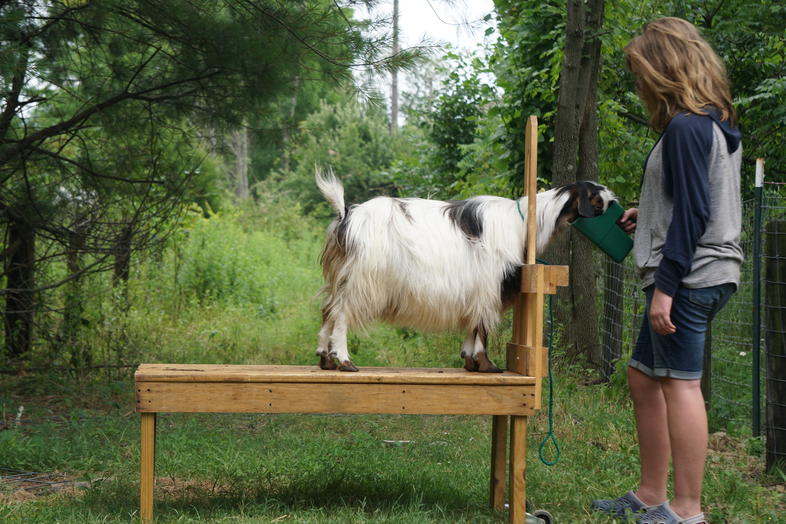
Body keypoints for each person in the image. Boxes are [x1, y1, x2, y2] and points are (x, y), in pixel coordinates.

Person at [591, 17, 743, 524]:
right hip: (697, 270)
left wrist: (667, 290)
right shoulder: (712, 123)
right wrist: (647, 213)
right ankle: (652, 494)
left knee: (680, 383)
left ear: (664, 67)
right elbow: (691, 200)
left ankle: (686, 510)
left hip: (690, 276)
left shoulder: (686, 126)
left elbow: (697, 214)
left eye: (642, 72)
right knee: (642, 376)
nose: (639, 85)